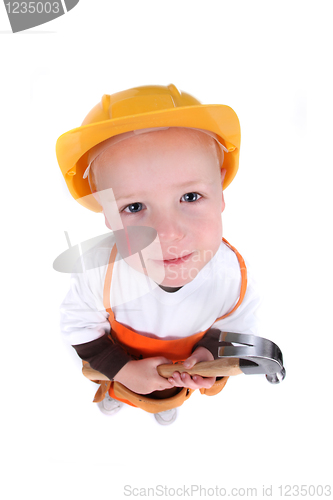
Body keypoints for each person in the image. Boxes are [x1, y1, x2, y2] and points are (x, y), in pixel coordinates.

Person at [56, 84, 260, 425]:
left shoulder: (232, 276)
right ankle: (114, 394)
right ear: (108, 216)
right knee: (122, 388)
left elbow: (234, 324)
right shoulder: (100, 270)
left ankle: (167, 403)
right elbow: (78, 325)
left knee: (166, 397)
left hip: (182, 368)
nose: (167, 233)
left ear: (221, 191)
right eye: (134, 207)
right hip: (119, 362)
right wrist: (124, 371)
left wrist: (208, 357)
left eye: (191, 197)